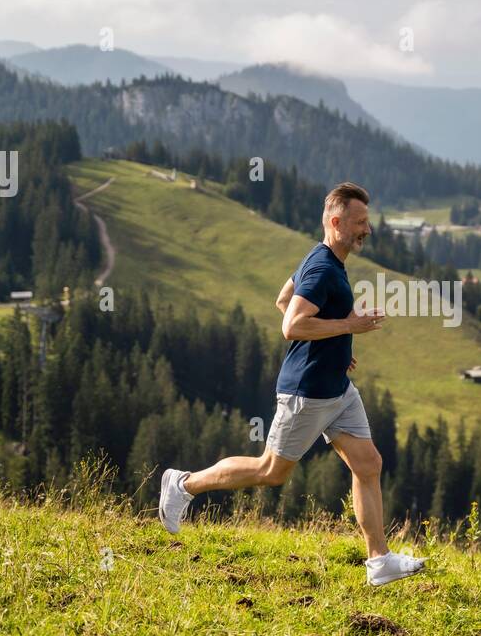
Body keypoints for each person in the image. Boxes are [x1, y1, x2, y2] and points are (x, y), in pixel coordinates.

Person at [158, 181, 426, 587]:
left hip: (337, 391)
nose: (366, 230)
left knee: (368, 464)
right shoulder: (321, 268)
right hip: (308, 393)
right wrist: (349, 326)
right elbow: (291, 324)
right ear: (336, 222)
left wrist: (336, 340)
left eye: (367, 222)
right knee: (271, 471)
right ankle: (183, 484)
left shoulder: (324, 259)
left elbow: (284, 297)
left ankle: (379, 560)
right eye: (358, 222)